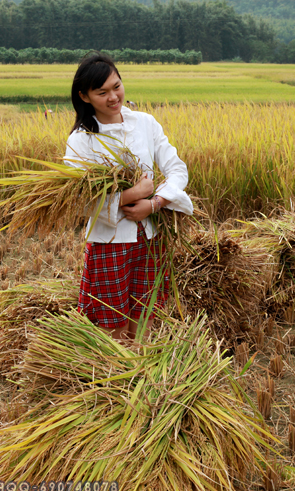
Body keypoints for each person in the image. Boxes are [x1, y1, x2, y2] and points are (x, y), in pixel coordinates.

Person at [65, 52, 193, 341]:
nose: (113, 97)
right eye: (102, 92)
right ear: (85, 97)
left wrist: (155, 203)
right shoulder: (81, 141)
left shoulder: (146, 124)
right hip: (109, 242)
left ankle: (139, 376)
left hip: (149, 239)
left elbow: (177, 170)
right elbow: (79, 201)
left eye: (116, 86)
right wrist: (132, 195)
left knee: (144, 317)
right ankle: (114, 380)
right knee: (113, 326)